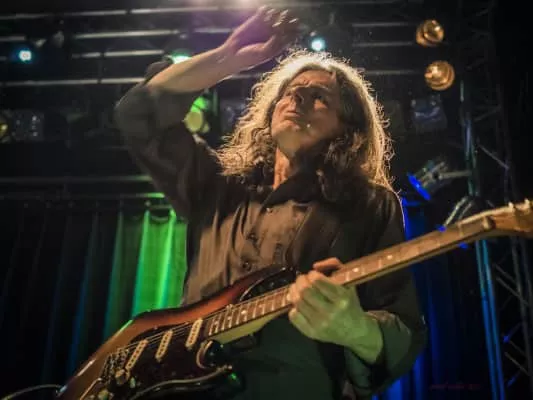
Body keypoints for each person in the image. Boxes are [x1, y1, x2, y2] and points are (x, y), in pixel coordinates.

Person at [114, 6, 427, 400]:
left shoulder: (370, 205)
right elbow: (137, 114)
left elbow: (401, 326)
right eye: (290, 92)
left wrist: (355, 329)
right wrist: (228, 56)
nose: (298, 97)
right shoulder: (217, 186)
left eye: (319, 97)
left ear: (347, 130)